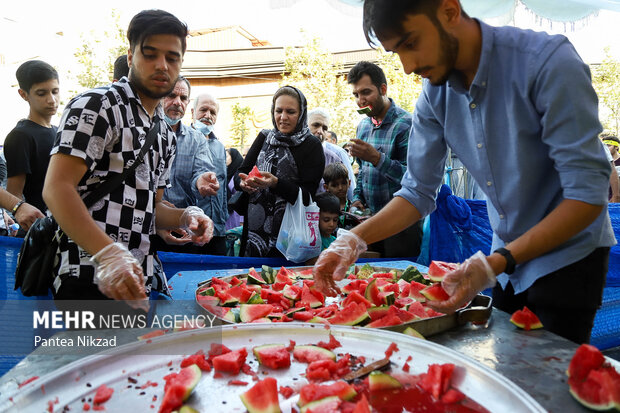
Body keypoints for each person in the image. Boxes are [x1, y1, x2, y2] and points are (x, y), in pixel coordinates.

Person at [314, 0, 615, 344]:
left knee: (554, 382)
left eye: (410, 43)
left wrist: (496, 263)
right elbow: (417, 192)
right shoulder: (433, 95)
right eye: (396, 52)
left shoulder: (547, 62)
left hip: (569, 258)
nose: (408, 66)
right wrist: (353, 239)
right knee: (510, 372)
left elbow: (587, 196)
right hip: (504, 263)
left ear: (449, 10)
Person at [42, 9, 213, 309]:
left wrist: (187, 216)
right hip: (89, 274)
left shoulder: (164, 131)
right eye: (150, 54)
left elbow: (152, 207)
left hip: (141, 278)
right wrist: (108, 254)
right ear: (131, 55)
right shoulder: (97, 105)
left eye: (172, 58)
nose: (162, 65)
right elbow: (56, 189)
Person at [235, 85, 324, 258]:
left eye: (290, 112)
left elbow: (308, 195)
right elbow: (241, 172)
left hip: (291, 234)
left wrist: (276, 183)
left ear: (301, 114)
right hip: (255, 230)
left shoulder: (311, 145)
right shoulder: (264, 137)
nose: (283, 117)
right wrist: (243, 183)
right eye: (278, 111)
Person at [347, 60, 422, 258]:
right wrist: (357, 199)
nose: (360, 100)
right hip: (370, 223)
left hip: (401, 226)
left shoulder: (407, 124)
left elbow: (415, 179)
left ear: (383, 89)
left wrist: (377, 158)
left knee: (399, 282)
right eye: (356, 94)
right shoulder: (363, 126)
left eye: (366, 92)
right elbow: (361, 171)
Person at [153, 76, 220, 252]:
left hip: (184, 231)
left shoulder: (196, 139)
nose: (177, 102)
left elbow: (201, 171)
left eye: (183, 98)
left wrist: (202, 180)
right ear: (160, 97)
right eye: (171, 96)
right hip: (148, 228)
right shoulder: (144, 134)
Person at [4, 60, 59, 229]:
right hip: (38, 229)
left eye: (55, 91)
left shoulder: (59, 130)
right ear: (24, 94)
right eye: (41, 94)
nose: (51, 100)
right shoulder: (21, 136)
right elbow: (14, 194)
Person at [191, 93, 229, 255]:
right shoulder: (181, 141)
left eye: (213, 112)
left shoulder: (219, 146)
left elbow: (223, 187)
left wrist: (223, 219)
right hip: (193, 229)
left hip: (218, 230)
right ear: (192, 112)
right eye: (203, 110)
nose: (207, 115)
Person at [308, 108, 356, 201]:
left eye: (324, 128)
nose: (320, 131)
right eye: (316, 125)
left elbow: (350, 192)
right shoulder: (293, 152)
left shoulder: (337, 155)